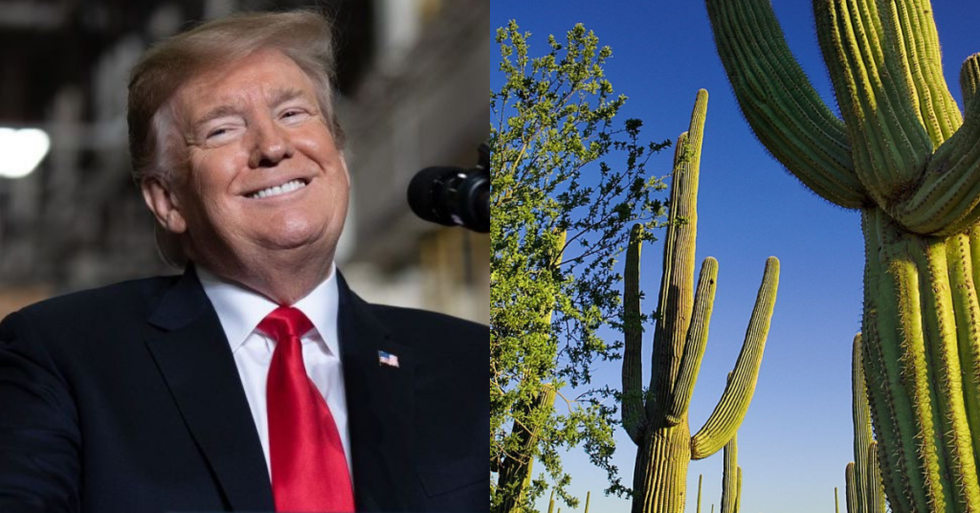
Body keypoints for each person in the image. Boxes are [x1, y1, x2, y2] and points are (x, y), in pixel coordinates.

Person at [0, 11, 487, 513]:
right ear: (167, 199)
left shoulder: (474, 366)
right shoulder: (61, 356)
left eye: (294, 114)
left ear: (339, 156)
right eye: (222, 130)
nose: (273, 147)